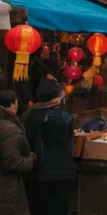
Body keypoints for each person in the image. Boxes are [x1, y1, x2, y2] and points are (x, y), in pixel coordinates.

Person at [22, 79, 75, 215]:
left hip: (32, 174)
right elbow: (68, 139)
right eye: (62, 97)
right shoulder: (64, 118)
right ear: (57, 100)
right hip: (59, 175)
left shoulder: (27, 115)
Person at [0, 90, 35, 215]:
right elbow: (12, 161)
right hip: (7, 188)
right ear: (13, 104)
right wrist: (30, 159)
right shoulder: (9, 128)